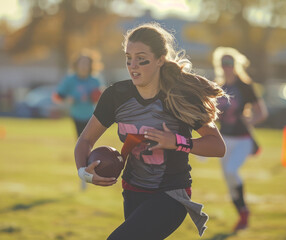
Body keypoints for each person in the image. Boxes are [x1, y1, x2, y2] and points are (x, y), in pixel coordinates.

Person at [74, 22, 227, 239]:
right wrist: (84, 173)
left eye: (141, 59)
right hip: (133, 192)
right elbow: (85, 141)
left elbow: (217, 146)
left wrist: (176, 142)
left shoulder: (180, 97)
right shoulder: (115, 96)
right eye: (128, 58)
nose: (133, 65)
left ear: (159, 60)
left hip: (172, 195)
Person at [212, 47, 268, 232]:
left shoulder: (245, 86)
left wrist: (250, 119)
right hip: (224, 139)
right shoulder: (217, 87)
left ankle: (243, 212)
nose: (226, 67)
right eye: (223, 63)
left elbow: (262, 113)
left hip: (243, 139)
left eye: (229, 63)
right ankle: (243, 213)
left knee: (231, 170)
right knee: (229, 181)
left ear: (235, 65)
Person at [53, 49, 103, 190]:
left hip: (92, 117)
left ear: (91, 65)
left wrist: (99, 95)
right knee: (81, 145)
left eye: (86, 63)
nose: (84, 66)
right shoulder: (70, 79)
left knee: (89, 146)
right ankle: (84, 174)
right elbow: (57, 97)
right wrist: (67, 99)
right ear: (76, 64)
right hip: (76, 116)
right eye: (81, 63)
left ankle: (88, 172)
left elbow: (101, 97)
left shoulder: (95, 80)